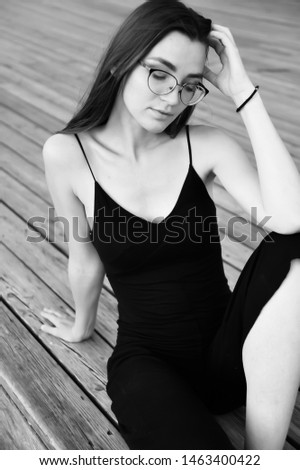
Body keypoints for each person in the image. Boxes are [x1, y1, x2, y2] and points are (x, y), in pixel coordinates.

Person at [41, 0, 300, 450]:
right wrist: (82, 325)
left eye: (190, 85)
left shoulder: (206, 145)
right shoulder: (67, 154)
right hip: (149, 364)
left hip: (233, 355)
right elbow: (84, 259)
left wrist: (242, 91)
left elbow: (292, 219)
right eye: (159, 74)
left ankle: (265, 455)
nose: (171, 98)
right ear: (122, 61)